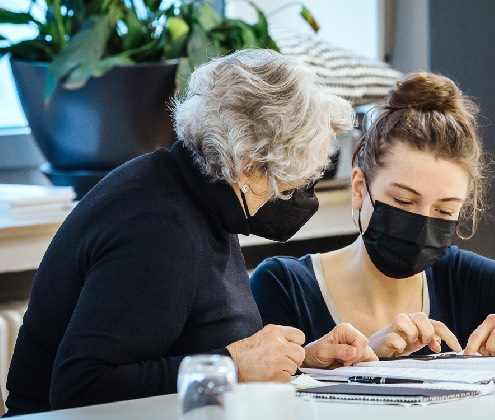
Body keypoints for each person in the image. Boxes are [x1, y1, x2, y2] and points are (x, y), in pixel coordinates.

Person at [4, 49, 376, 416]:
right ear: (247, 166)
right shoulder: (161, 228)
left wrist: (300, 361)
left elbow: (190, 344)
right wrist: (234, 366)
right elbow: (80, 387)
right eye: (291, 184)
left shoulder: (195, 188)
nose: (297, 197)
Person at [250, 72, 495, 360]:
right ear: (359, 189)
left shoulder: (459, 277)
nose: (422, 222)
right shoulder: (284, 286)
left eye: (444, 210)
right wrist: (351, 360)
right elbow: (252, 390)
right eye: (403, 202)